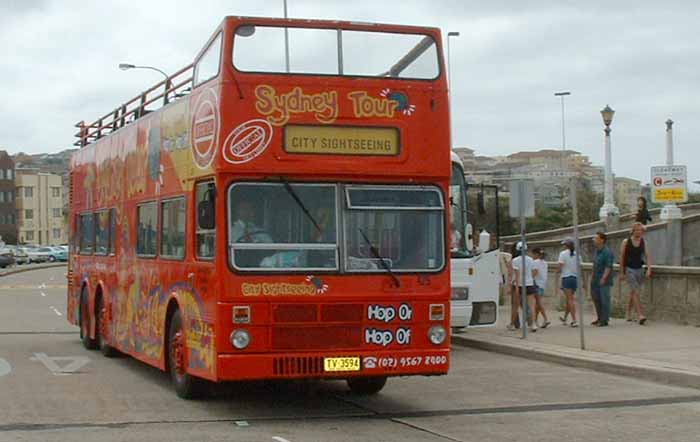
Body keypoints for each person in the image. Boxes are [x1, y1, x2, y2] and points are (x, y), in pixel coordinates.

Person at [620, 222, 652, 325]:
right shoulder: (626, 242)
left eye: (640, 230)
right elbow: (622, 257)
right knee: (635, 291)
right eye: (637, 230)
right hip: (629, 269)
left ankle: (628, 313)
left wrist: (649, 269)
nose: (639, 232)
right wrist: (622, 272)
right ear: (633, 231)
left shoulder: (643, 242)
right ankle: (640, 315)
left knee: (633, 292)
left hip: (639, 269)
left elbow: (647, 256)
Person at [510, 242, 538, 332]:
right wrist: (530, 278)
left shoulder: (515, 260)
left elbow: (517, 275)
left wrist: (517, 287)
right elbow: (535, 271)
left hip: (519, 285)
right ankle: (533, 324)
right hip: (529, 284)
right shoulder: (531, 260)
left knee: (515, 306)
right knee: (531, 305)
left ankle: (512, 324)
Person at [591, 232, 614, 327]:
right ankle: (599, 317)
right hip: (595, 277)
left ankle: (604, 319)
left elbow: (608, 266)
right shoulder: (597, 251)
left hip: (603, 279)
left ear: (602, 240)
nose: (594, 240)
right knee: (596, 299)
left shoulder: (607, 252)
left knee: (604, 299)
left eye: (596, 238)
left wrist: (604, 278)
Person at [557, 237, 579, 327]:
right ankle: (565, 317)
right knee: (569, 299)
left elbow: (560, 265)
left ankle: (574, 319)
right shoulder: (577, 255)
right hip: (575, 278)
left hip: (566, 277)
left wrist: (557, 271)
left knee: (570, 300)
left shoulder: (563, 254)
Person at [531, 247, 550, 328]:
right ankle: (535, 320)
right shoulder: (545, 263)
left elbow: (535, 272)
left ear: (536, 254)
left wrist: (529, 278)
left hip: (536, 284)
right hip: (542, 284)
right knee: (537, 304)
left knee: (538, 303)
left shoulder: (535, 262)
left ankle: (545, 318)